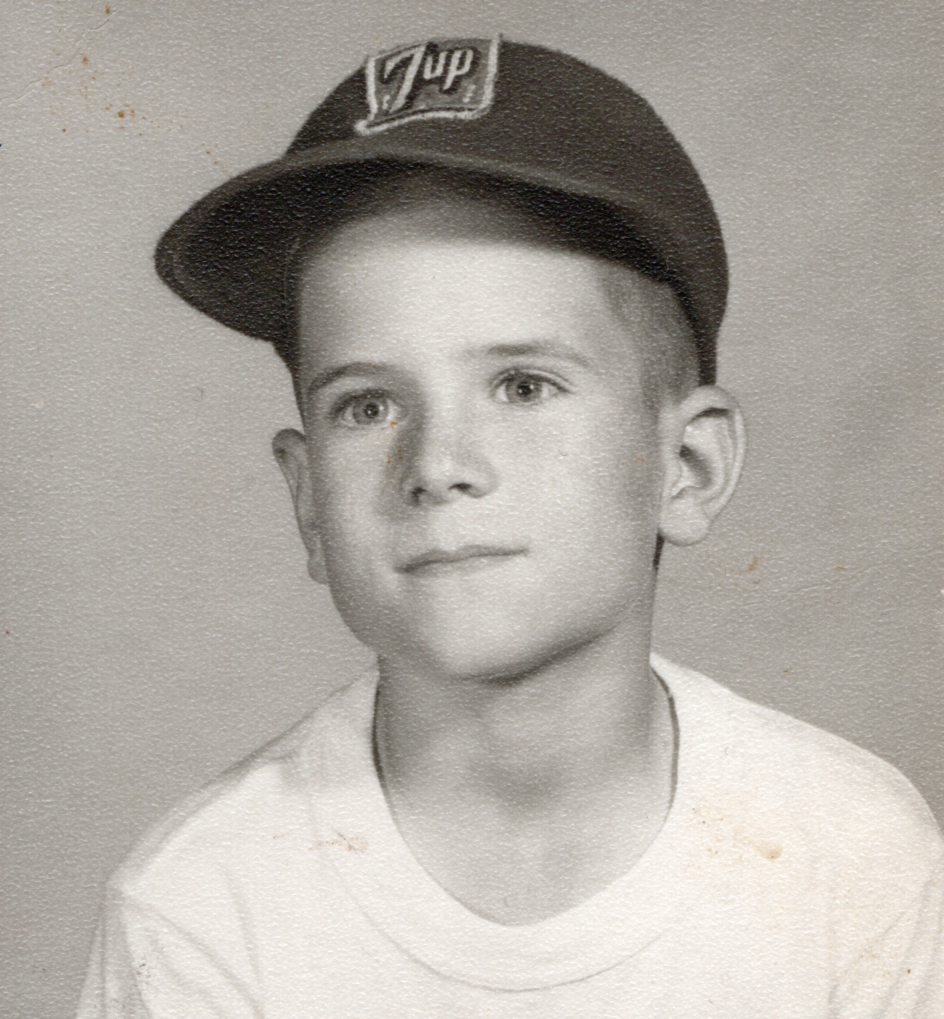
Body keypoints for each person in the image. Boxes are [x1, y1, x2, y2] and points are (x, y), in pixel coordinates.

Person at [77, 37, 943, 1017]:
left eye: (522, 385)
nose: (439, 462)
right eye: (367, 405)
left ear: (686, 465)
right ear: (309, 496)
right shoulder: (201, 910)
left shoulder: (851, 858)